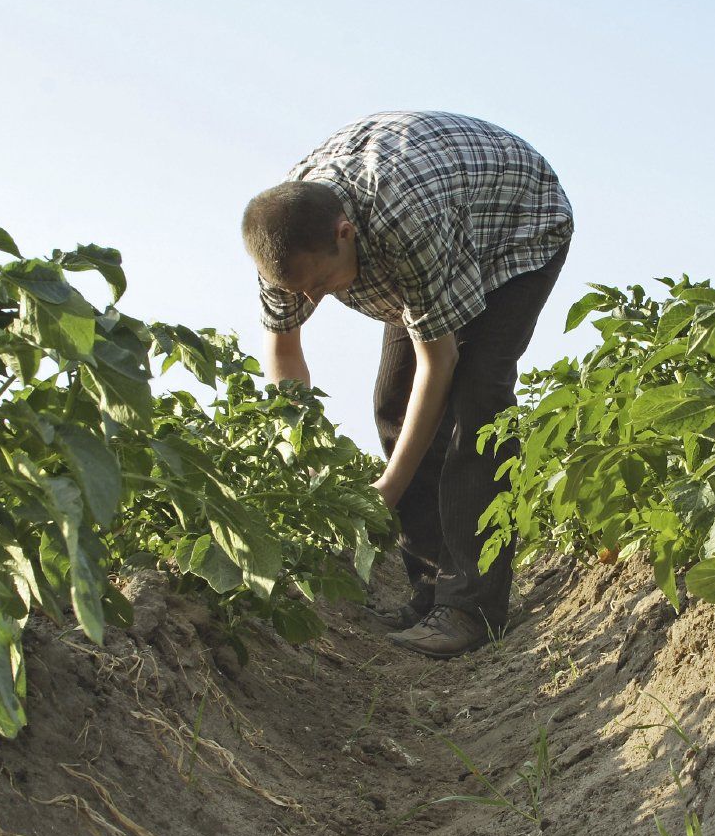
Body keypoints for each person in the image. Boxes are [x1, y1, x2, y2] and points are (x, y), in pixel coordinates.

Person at [243, 112, 573, 658]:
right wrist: (297, 457)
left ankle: (471, 608)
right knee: (392, 401)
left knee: (476, 400)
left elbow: (438, 362)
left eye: (323, 284)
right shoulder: (283, 240)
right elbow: (283, 350)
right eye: (301, 291)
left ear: (344, 235)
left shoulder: (404, 222)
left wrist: (385, 492)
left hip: (514, 228)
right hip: (434, 224)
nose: (312, 301)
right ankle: (430, 589)